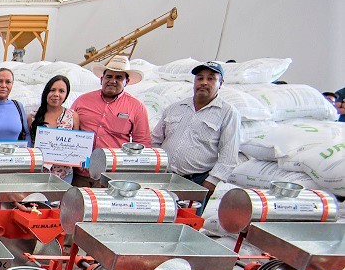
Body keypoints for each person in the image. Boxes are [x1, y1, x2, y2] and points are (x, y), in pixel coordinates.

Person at [151, 61, 240, 192]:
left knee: (189, 214)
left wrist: (211, 183)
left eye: (210, 78)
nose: (204, 82)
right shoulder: (175, 108)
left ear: (220, 83)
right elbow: (155, 140)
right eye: (200, 78)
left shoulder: (227, 112)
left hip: (196, 181)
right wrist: (157, 168)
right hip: (164, 177)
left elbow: (229, 156)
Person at [72, 55, 151, 187]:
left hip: (111, 176)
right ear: (102, 79)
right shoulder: (82, 101)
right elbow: (67, 130)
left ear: (127, 81)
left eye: (119, 77)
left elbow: (143, 144)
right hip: (80, 173)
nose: (112, 81)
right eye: (109, 76)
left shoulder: (136, 107)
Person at [28, 75, 81, 183]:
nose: (56, 94)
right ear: (46, 92)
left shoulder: (72, 116)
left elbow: (78, 146)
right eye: (52, 90)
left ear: (66, 95)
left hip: (64, 175)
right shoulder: (32, 117)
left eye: (61, 91)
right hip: (37, 175)